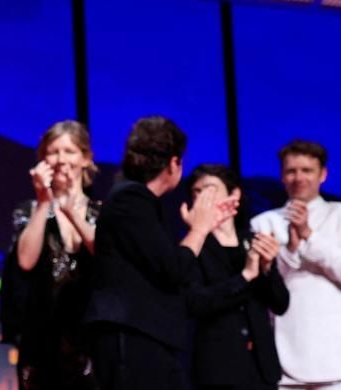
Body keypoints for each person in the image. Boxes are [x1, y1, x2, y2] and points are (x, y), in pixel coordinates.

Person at [84, 116, 237, 390]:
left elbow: (165, 265)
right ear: (174, 163)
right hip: (131, 337)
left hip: (143, 337)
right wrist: (200, 230)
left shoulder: (137, 202)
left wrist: (200, 229)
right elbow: (173, 269)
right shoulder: (132, 199)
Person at [0, 120, 100, 390]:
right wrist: (45, 202)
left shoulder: (100, 212)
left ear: (85, 158)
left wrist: (72, 212)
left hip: (89, 337)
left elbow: (106, 256)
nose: (60, 159)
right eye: (53, 151)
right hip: (40, 339)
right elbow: (25, 261)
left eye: (69, 151)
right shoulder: (29, 210)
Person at [251, 140, 341, 389]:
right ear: (282, 176)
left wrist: (308, 235)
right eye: (291, 171)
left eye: (307, 170)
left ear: (323, 174)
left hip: (338, 361)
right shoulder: (263, 223)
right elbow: (265, 290)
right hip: (285, 359)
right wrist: (289, 251)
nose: (299, 178)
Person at [183, 163, 288, 390]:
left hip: (261, 370)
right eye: (196, 193)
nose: (203, 199)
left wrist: (267, 269)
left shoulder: (253, 240)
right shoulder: (193, 246)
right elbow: (195, 303)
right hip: (218, 371)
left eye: (210, 190)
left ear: (235, 194)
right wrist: (245, 276)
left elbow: (281, 303)